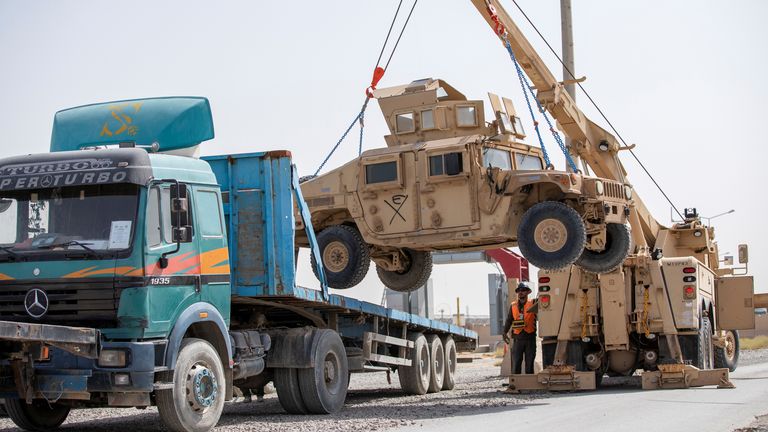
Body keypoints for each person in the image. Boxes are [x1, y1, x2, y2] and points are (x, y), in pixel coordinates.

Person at [502, 282, 537, 374]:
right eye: (519, 290)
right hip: (518, 340)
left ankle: (529, 385)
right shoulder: (513, 305)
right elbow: (509, 320)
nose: (521, 292)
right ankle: (517, 385)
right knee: (516, 363)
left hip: (530, 339)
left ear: (528, 292)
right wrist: (504, 332)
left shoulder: (533, 303)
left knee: (529, 365)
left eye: (523, 290)